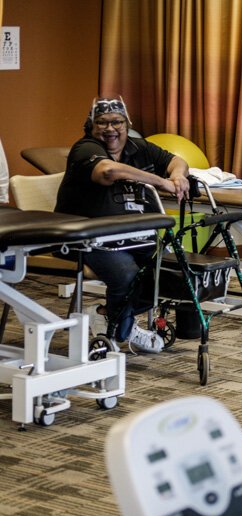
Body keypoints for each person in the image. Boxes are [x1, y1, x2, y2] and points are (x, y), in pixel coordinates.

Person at [55, 96, 190, 353]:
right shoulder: (85, 148)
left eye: (116, 122)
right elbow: (108, 172)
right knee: (128, 276)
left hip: (131, 235)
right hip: (86, 238)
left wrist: (176, 174)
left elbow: (175, 160)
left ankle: (107, 314)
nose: (110, 129)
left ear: (127, 124)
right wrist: (160, 182)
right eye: (102, 123)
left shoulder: (139, 147)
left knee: (172, 272)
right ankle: (120, 330)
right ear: (91, 127)